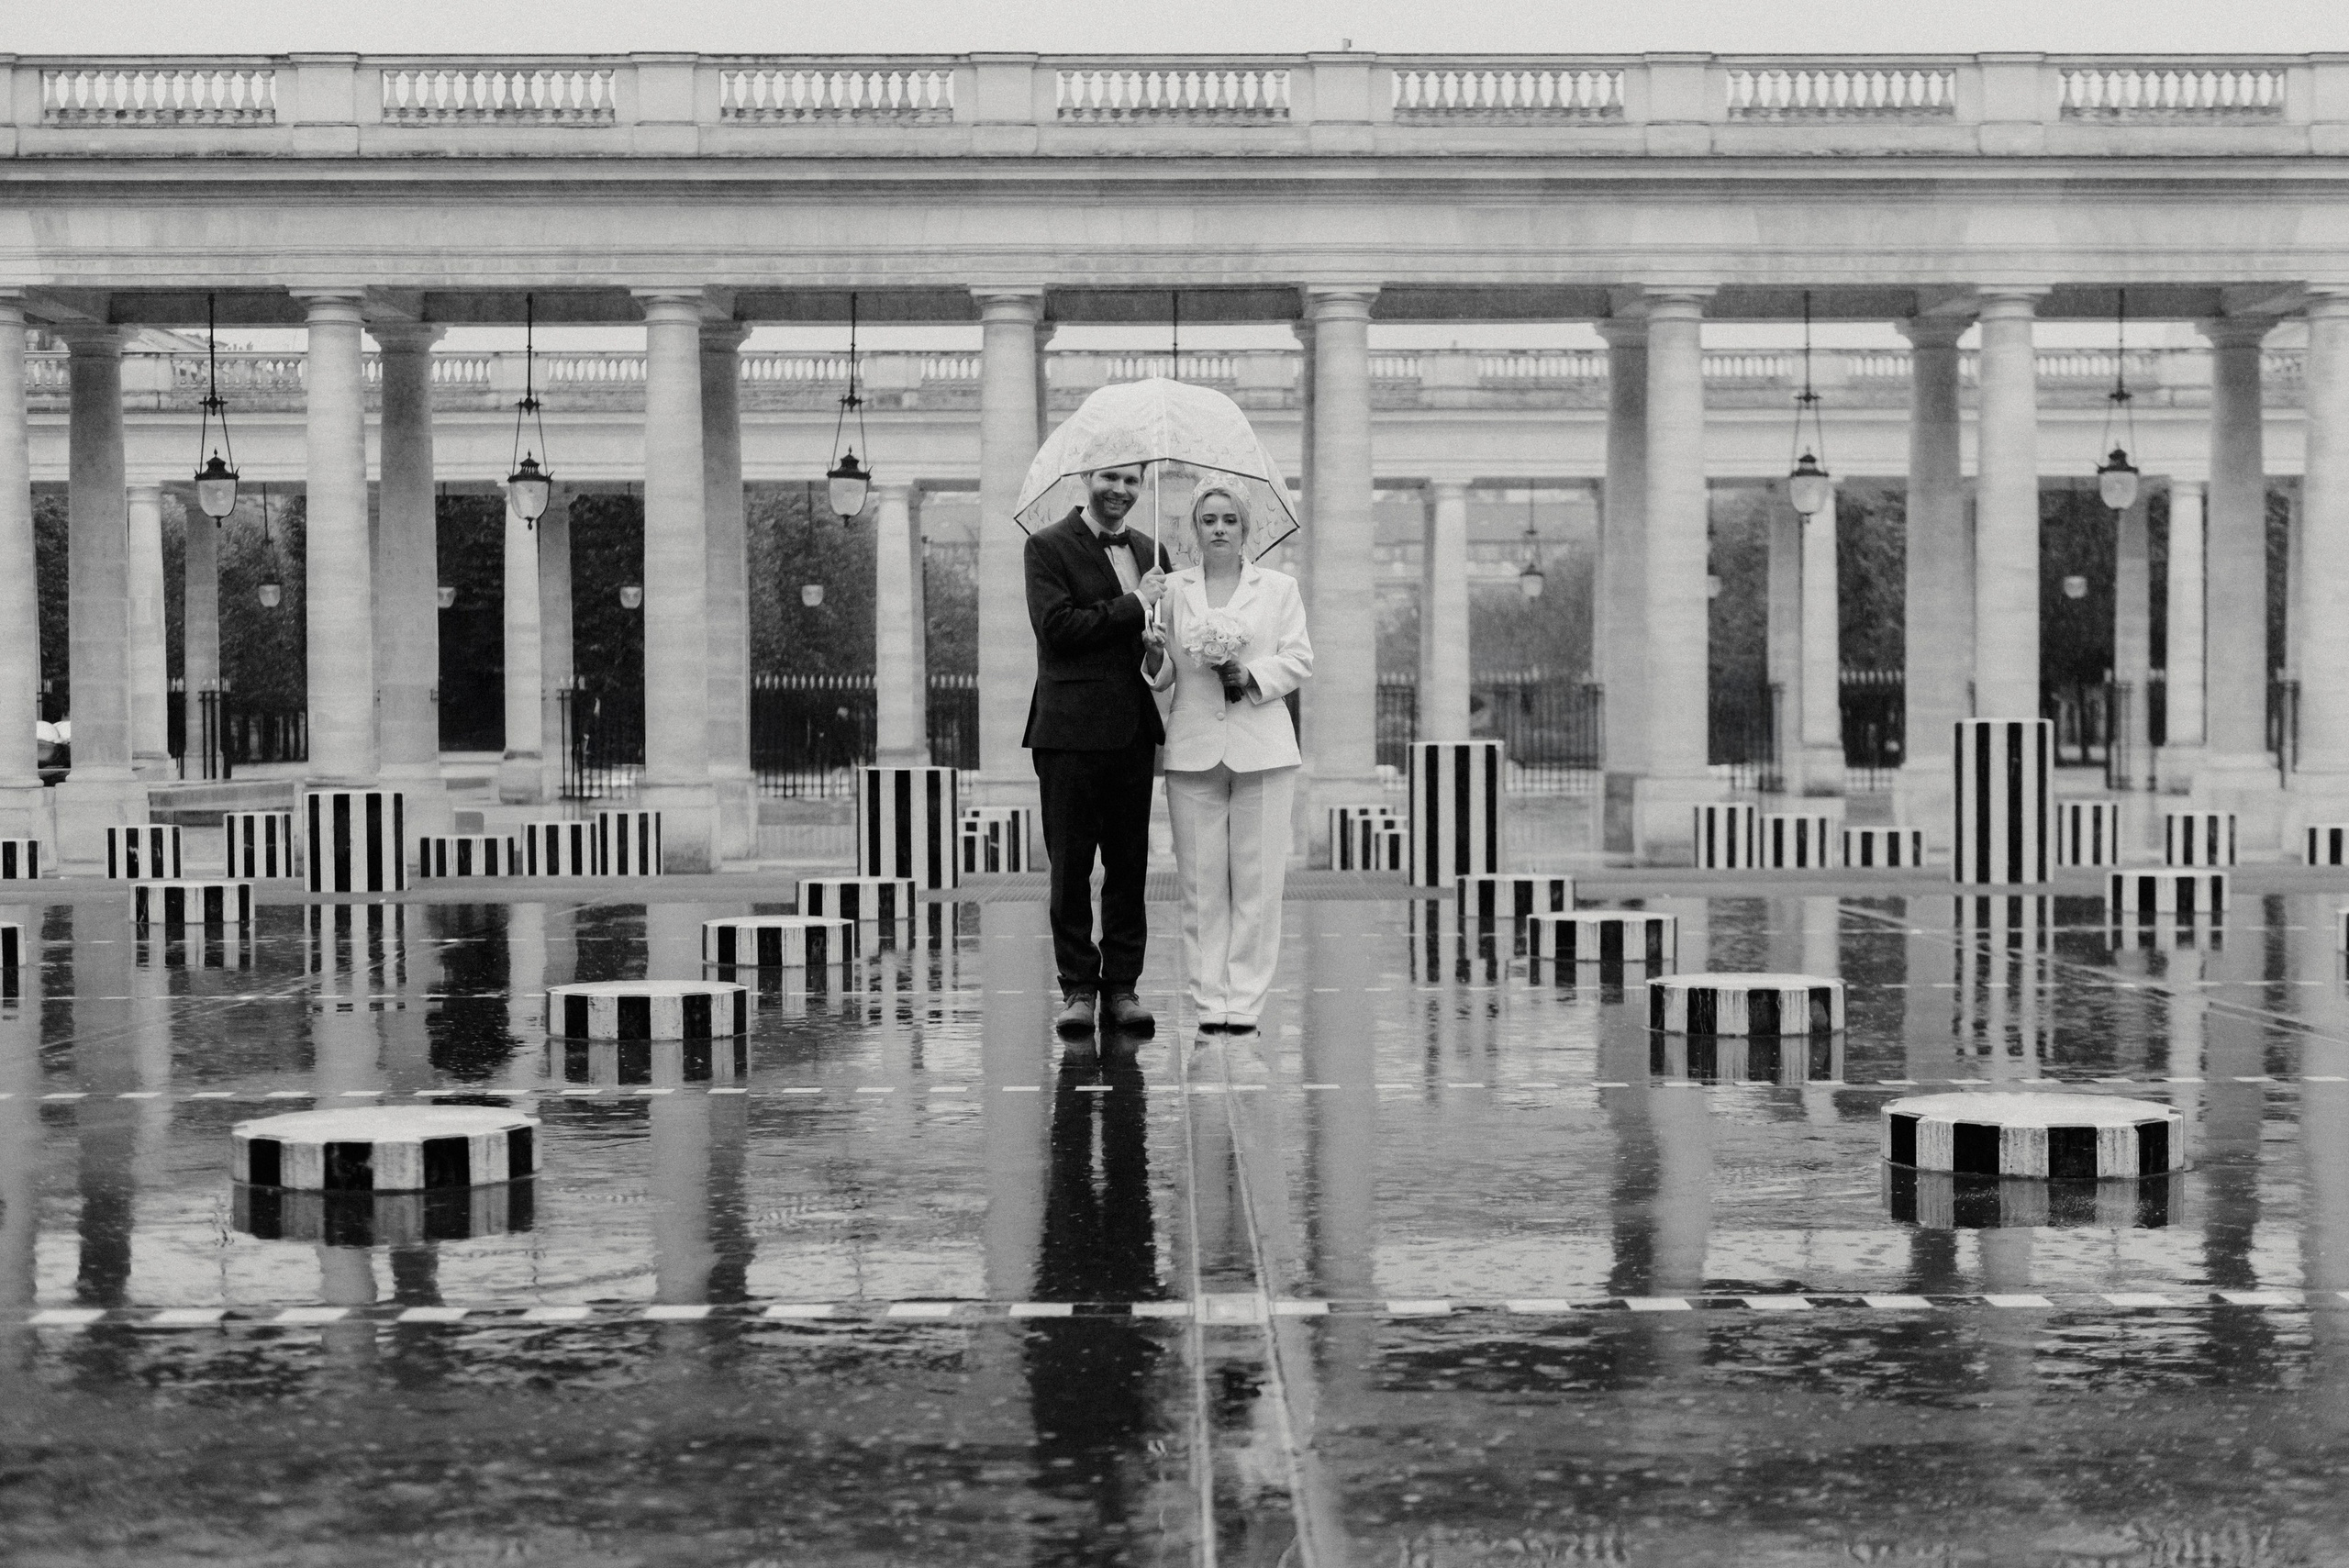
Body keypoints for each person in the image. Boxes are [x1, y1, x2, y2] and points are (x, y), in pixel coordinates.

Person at [1142, 479, 1312, 1034]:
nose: (1218, 528)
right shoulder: (1171, 589)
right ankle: (1208, 1000)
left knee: (1259, 885)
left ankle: (1245, 1003)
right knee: (1200, 886)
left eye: (1229, 520)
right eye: (1208, 519)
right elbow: (1164, 676)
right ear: (1195, 529)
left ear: (1244, 528)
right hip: (1193, 751)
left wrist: (1252, 675)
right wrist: (1150, 654)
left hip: (1262, 747)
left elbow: (1299, 659)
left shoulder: (1279, 588)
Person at [1023, 463, 1167, 1037]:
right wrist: (1135, 604)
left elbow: (1157, 638)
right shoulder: (1046, 546)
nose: (1121, 491)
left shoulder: (1151, 548)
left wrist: (1156, 645)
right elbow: (1057, 628)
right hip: (1068, 733)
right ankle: (1078, 990)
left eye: (1132, 482)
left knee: (1130, 870)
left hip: (1132, 732)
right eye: (1111, 478)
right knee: (1072, 870)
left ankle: (1124, 989)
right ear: (1088, 478)